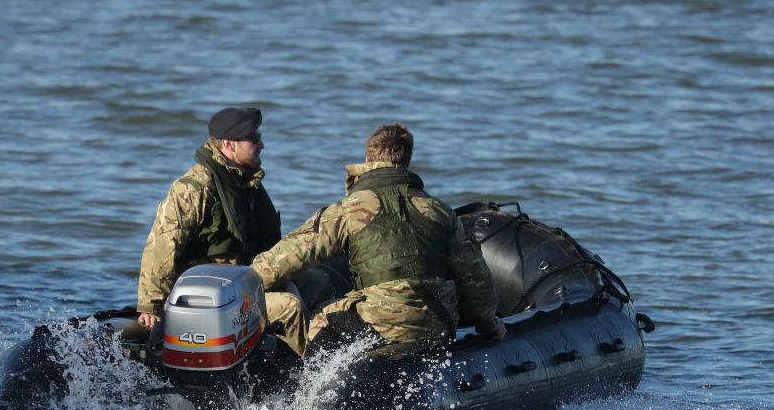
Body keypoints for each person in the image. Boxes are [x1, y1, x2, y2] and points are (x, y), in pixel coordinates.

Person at [250, 122, 504, 357]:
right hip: (438, 325)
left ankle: (310, 388)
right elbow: (475, 277)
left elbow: (284, 260)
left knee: (320, 320)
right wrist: (490, 324)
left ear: (367, 159)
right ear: (407, 160)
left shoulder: (349, 209)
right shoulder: (440, 210)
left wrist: (246, 282)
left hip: (383, 324)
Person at [136, 106, 330, 356]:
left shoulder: (244, 182)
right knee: (288, 306)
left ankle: (277, 356)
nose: (261, 145)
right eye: (253, 139)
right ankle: (312, 378)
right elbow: (161, 247)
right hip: (210, 294)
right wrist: (151, 306)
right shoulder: (194, 188)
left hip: (241, 279)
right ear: (229, 145)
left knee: (317, 282)